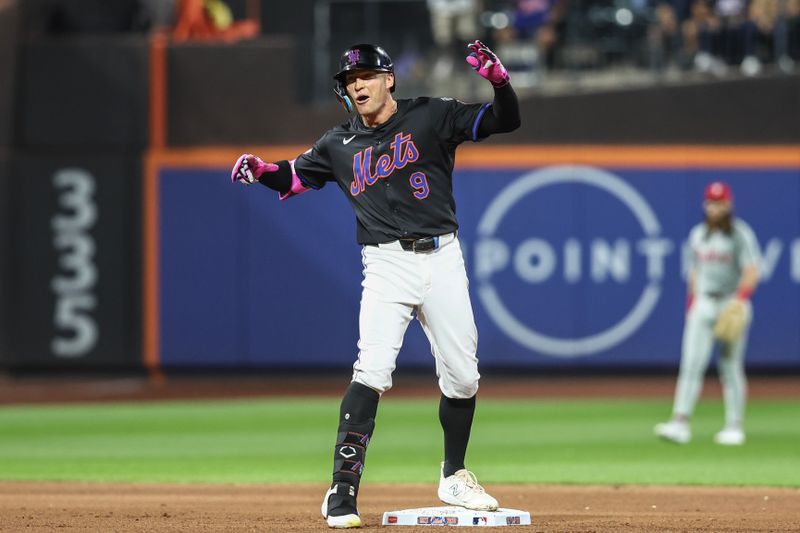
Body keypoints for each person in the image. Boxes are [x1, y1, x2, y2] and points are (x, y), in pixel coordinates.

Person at [231, 41, 520, 528]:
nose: (356, 85)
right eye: (348, 80)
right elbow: (292, 178)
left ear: (389, 78)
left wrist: (499, 81)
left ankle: (454, 474)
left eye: (365, 76)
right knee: (373, 370)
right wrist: (262, 172)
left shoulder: (431, 115)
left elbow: (502, 120)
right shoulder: (336, 144)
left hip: (443, 257)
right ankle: (341, 490)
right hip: (386, 263)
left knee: (464, 376)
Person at [655, 181, 760, 446]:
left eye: (720, 202)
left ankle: (734, 426)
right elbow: (694, 273)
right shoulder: (698, 235)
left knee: (730, 367)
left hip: (730, 302)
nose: (715, 207)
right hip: (703, 303)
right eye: (711, 202)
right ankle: (680, 422)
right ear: (705, 205)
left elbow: (751, 271)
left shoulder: (739, 234)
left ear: (729, 204)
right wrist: (691, 304)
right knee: (691, 364)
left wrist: (740, 301)